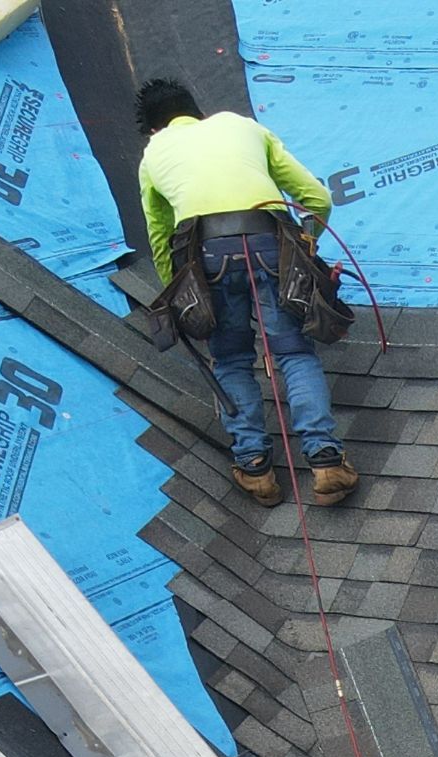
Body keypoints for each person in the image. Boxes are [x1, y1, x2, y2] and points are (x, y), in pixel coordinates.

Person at [135, 78, 358, 507]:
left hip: (208, 258)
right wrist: (306, 247)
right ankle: (327, 463)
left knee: (232, 357)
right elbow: (316, 198)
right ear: (196, 110)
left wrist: (179, 289)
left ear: (155, 129)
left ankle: (255, 469)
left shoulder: (154, 155)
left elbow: (160, 235)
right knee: (293, 352)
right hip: (271, 246)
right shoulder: (243, 127)